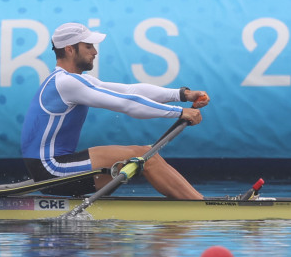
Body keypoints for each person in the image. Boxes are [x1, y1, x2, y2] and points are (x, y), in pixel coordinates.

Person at [20, 22, 209, 200]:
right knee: (145, 156)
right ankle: (203, 206)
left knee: (145, 154)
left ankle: (198, 203)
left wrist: (182, 94)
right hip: (51, 169)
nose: (95, 52)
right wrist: (180, 112)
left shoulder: (71, 80)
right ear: (70, 49)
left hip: (51, 168)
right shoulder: (66, 83)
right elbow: (128, 104)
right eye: (88, 46)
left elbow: (130, 91)